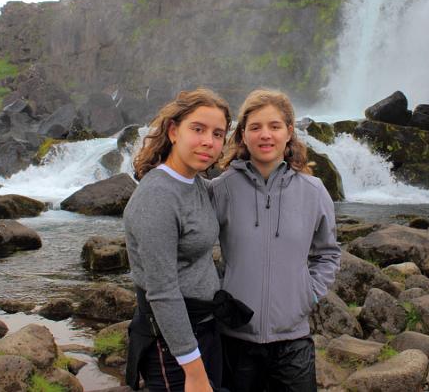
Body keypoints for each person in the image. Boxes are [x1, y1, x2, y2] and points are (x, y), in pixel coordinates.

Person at [211, 89, 341, 391]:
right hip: (235, 339)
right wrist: (219, 292)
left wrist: (308, 294)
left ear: (289, 132)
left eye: (274, 126)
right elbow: (196, 249)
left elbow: (328, 253)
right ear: (243, 135)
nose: (265, 135)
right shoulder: (221, 189)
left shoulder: (314, 190)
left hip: (293, 341)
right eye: (255, 127)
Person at [124, 88, 233, 391]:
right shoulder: (158, 196)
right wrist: (194, 371)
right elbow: (161, 290)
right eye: (197, 129)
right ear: (173, 131)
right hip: (172, 346)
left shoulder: (195, 182)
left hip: (202, 331)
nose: (208, 141)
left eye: (217, 134)